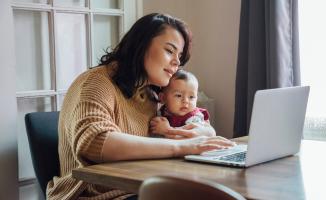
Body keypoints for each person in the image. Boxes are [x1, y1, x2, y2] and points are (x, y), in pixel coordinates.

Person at [47, 13, 235, 200]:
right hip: (95, 194)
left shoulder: (149, 95)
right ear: (141, 45)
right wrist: (181, 146)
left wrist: (204, 132)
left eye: (179, 56)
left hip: (138, 187)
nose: (177, 62)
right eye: (170, 51)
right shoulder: (96, 81)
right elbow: (95, 142)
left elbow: (192, 127)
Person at [150, 70, 215, 139]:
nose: (186, 101)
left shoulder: (194, 118)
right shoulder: (161, 112)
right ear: (163, 98)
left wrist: (167, 131)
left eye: (191, 97)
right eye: (178, 95)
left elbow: (187, 138)